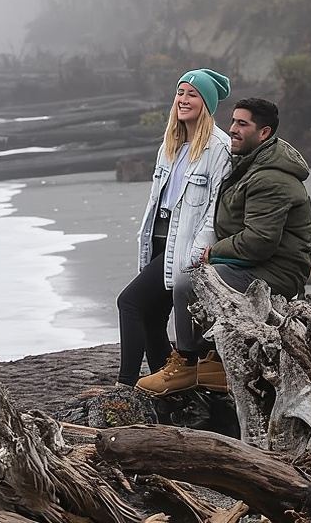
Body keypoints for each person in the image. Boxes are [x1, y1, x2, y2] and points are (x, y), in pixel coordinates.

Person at [137, 97, 311, 395]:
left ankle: (188, 363)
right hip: (258, 262)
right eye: (232, 121)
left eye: (242, 124)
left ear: (264, 133)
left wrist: (214, 252)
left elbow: (259, 242)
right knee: (196, 278)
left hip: (277, 271)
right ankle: (212, 361)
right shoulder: (249, 164)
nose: (232, 129)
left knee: (191, 282)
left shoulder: (270, 178)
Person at [115, 69, 232, 387]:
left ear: (206, 103)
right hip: (159, 240)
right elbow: (157, 202)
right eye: (180, 93)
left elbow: (216, 207)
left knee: (130, 302)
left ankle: (125, 385)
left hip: (184, 246)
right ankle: (166, 386)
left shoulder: (219, 149)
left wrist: (198, 250)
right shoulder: (171, 144)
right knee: (153, 318)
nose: (183, 100)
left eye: (192, 94)